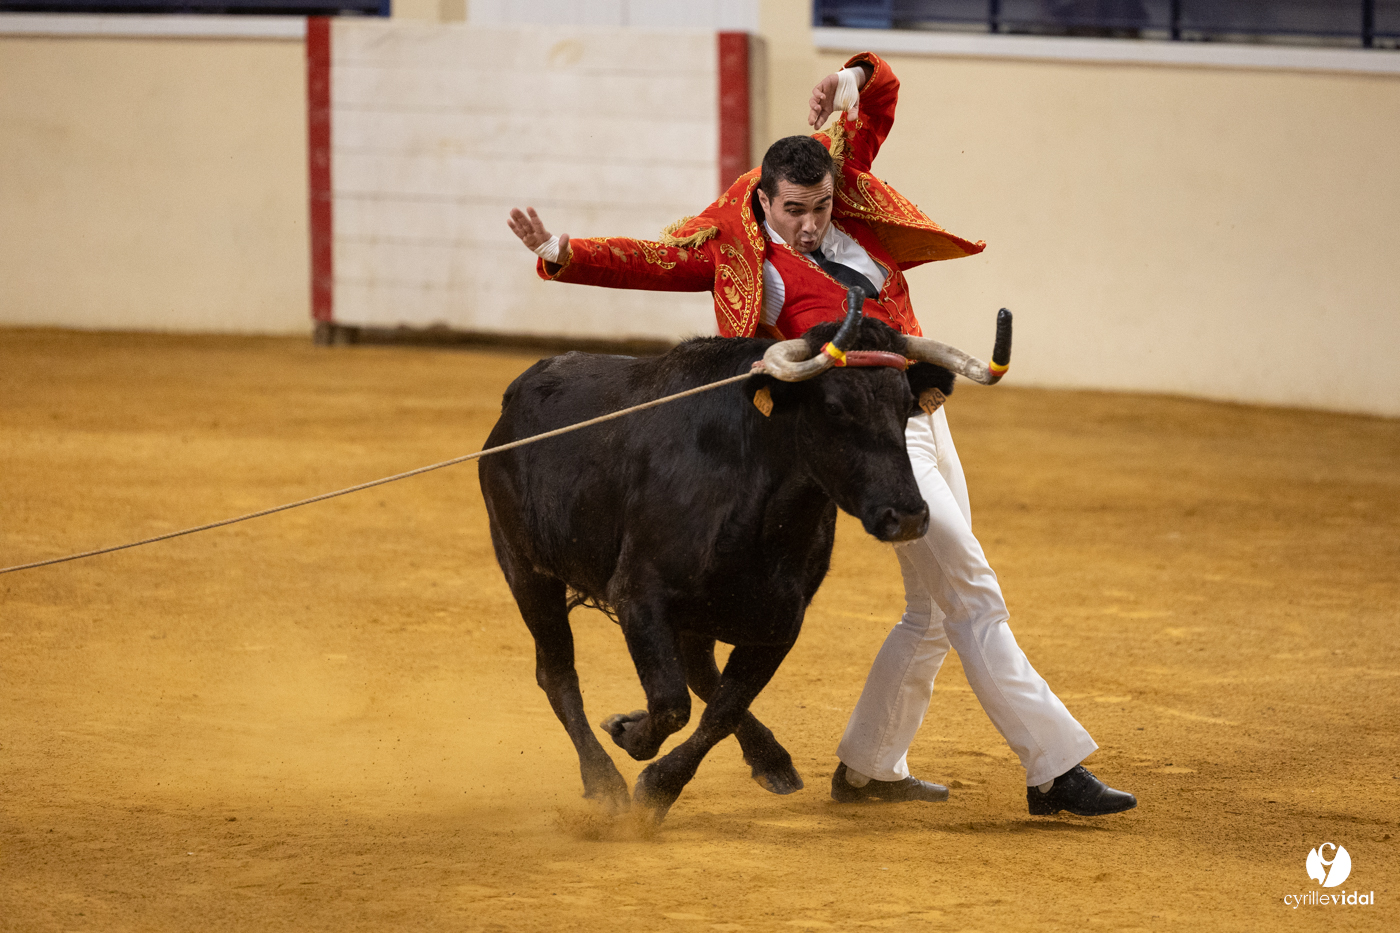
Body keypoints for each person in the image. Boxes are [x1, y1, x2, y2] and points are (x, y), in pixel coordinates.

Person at [506, 52, 1135, 817]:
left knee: (932, 610)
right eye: (793, 210)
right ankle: (1055, 767)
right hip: (854, 438)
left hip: (913, 409)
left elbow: (882, 99)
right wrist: (560, 252)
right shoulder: (736, 248)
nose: (809, 225)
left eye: (821, 209)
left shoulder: (839, 187)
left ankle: (870, 765)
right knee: (970, 587)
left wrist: (851, 80)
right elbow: (654, 259)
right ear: (764, 200)